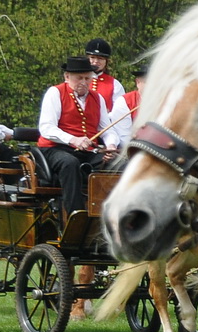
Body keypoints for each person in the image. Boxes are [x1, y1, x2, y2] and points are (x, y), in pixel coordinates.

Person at [38, 55, 118, 215]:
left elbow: (107, 130)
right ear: (67, 77)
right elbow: (46, 127)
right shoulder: (55, 93)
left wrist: (111, 145)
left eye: (87, 78)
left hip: (88, 151)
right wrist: (73, 139)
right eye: (79, 78)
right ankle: (76, 214)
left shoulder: (98, 98)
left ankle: (112, 212)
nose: (84, 82)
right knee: (70, 163)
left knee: (119, 164)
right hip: (55, 149)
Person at [84, 39, 130, 146]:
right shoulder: (78, 81)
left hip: (105, 131)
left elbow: (119, 113)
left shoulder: (114, 84)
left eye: (100, 58)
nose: (95, 61)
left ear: (106, 61)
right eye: (92, 58)